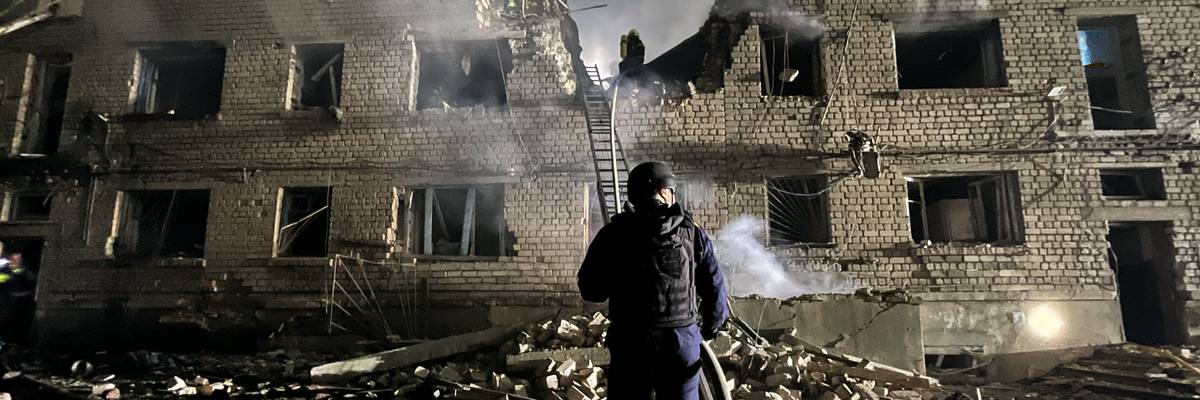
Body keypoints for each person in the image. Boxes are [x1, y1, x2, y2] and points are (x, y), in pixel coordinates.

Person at [578, 161, 728, 400]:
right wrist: (708, 330)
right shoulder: (692, 232)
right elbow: (716, 290)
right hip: (681, 342)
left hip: (631, 344)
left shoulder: (613, 234)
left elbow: (591, 290)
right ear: (663, 191)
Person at [0, 252, 34, 344]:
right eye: (13, 259)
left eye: (18, 259)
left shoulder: (27, 274)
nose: (15, 261)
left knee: (17, 325)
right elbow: (2, 282)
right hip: (5, 304)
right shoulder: (5, 271)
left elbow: (30, 291)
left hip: (20, 306)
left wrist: (16, 295)